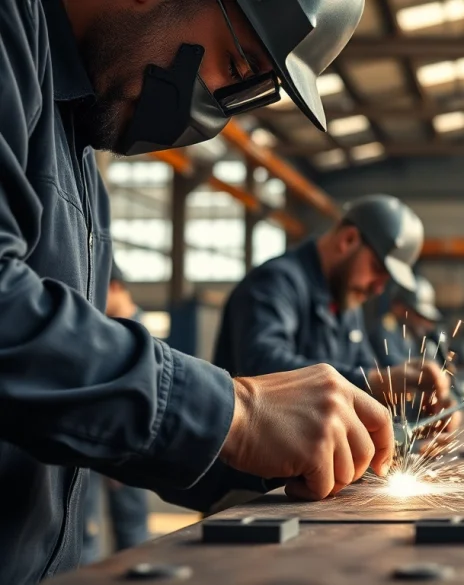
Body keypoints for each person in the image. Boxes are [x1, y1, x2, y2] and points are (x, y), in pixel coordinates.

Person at [0, 0, 397, 582]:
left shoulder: (77, 153)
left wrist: (276, 460)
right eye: (236, 66)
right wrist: (235, 414)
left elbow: (75, 404)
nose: (211, 107)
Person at [213, 194, 453, 417]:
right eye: (377, 270)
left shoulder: (346, 302)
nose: (378, 288)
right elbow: (263, 367)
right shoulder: (276, 282)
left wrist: (420, 410)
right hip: (252, 459)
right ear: (348, 239)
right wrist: (373, 381)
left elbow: (368, 381)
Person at [81, 263, 151, 563]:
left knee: (132, 528)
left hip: (128, 444)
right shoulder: (101, 330)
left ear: (114, 287)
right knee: (85, 529)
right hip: (90, 444)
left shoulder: (143, 336)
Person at [367, 276, 447, 368]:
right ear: (399, 307)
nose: (422, 322)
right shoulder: (384, 331)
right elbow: (393, 364)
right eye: (417, 314)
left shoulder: (408, 333)